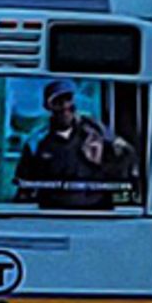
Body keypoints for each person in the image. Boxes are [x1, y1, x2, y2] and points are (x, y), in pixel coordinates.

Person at [14, 80, 137, 209]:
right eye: (58, 102)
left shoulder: (96, 132)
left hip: (97, 213)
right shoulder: (36, 143)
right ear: (48, 106)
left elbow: (127, 161)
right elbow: (24, 186)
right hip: (54, 215)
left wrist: (100, 161)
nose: (65, 106)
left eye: (68, 100)